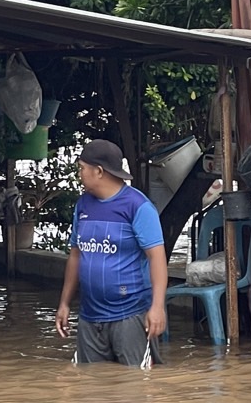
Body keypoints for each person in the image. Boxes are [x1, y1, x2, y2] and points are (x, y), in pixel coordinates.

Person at [54, 139, 167, 366]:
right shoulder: (83, 205)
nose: (79, 174)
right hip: (89, 315)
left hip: (130, 314)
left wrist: (157, 307)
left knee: (136, 388)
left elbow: (157, 258)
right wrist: (64, 303)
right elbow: (75, 255)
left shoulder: (138, 207)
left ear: (98, 171)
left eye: (82, 168)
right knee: (89, 387)